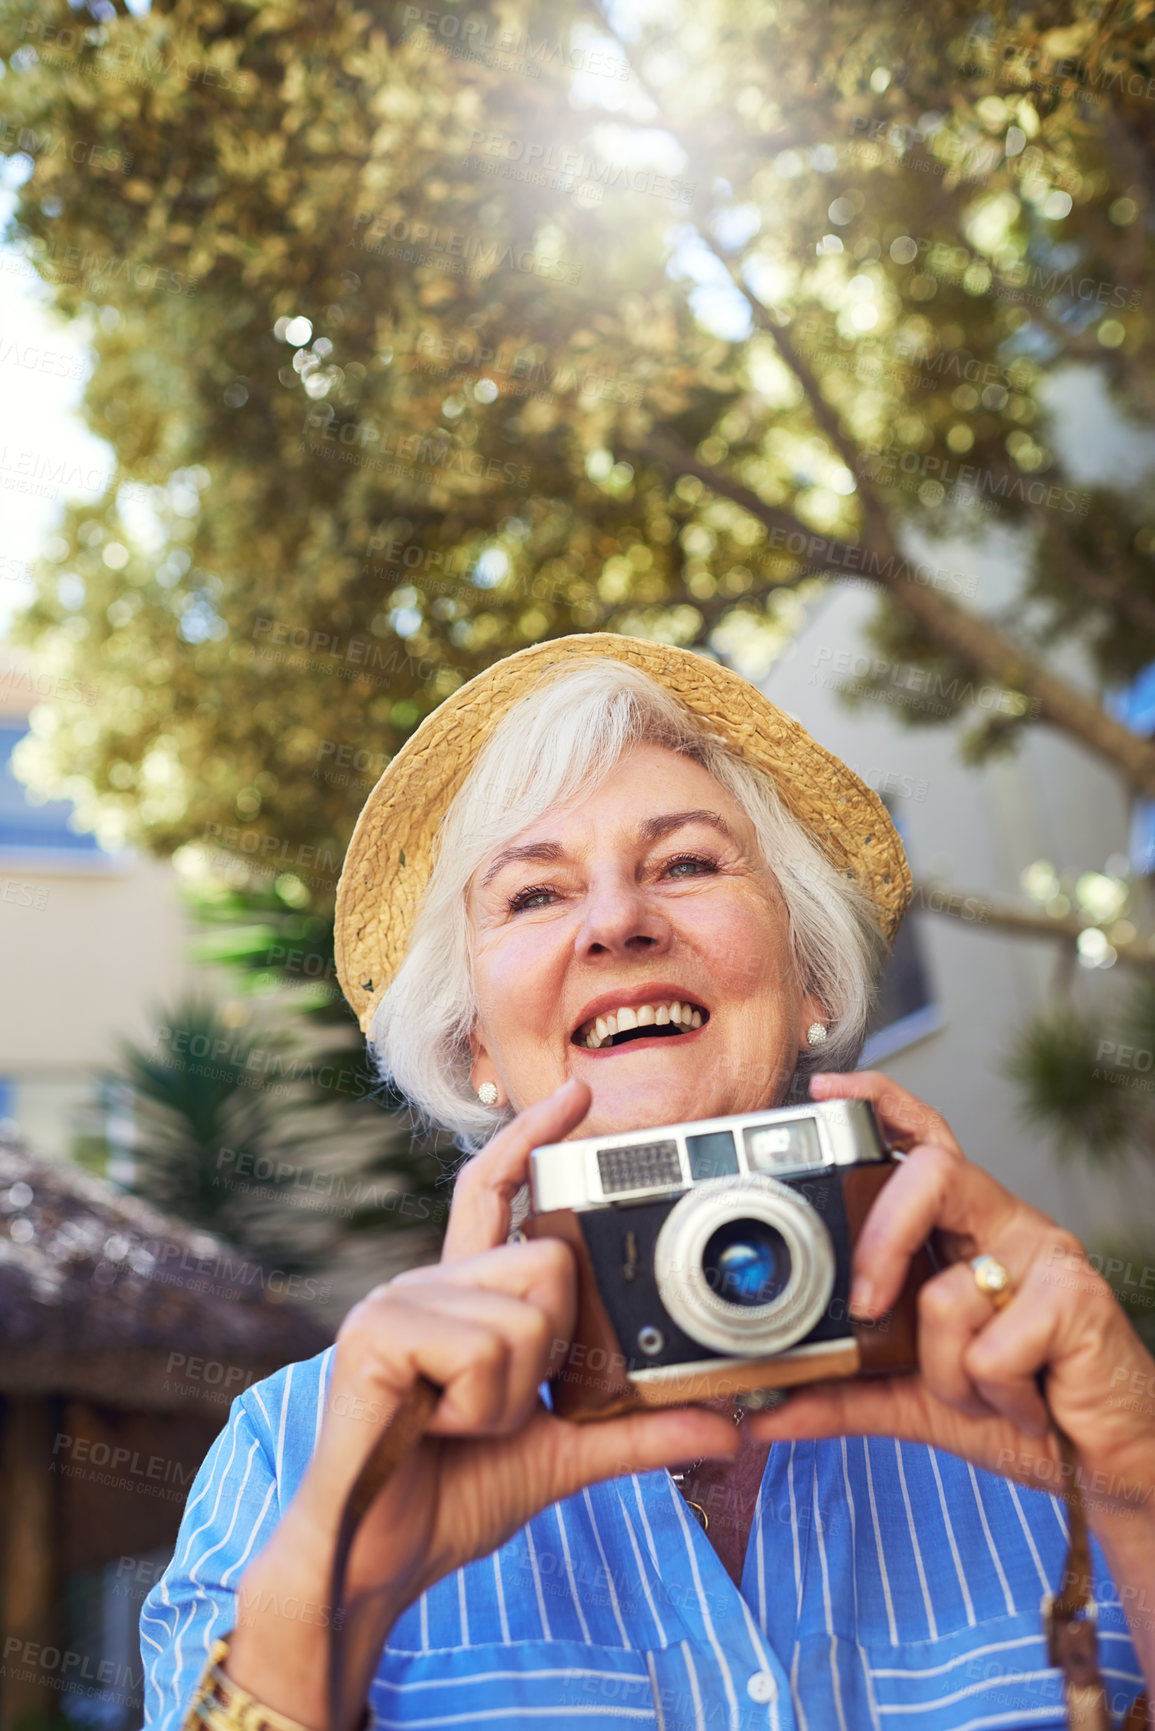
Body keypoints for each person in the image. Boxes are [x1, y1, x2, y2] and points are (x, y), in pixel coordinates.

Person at [142, 634, 1155, 1731]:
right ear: (474, 1041)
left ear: (811, 977)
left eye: (685, 864)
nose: (617, 922)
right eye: (534, 895)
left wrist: (1139, 1482)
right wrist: (334, 1606)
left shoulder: (1049, 1395)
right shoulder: (298, 1452)